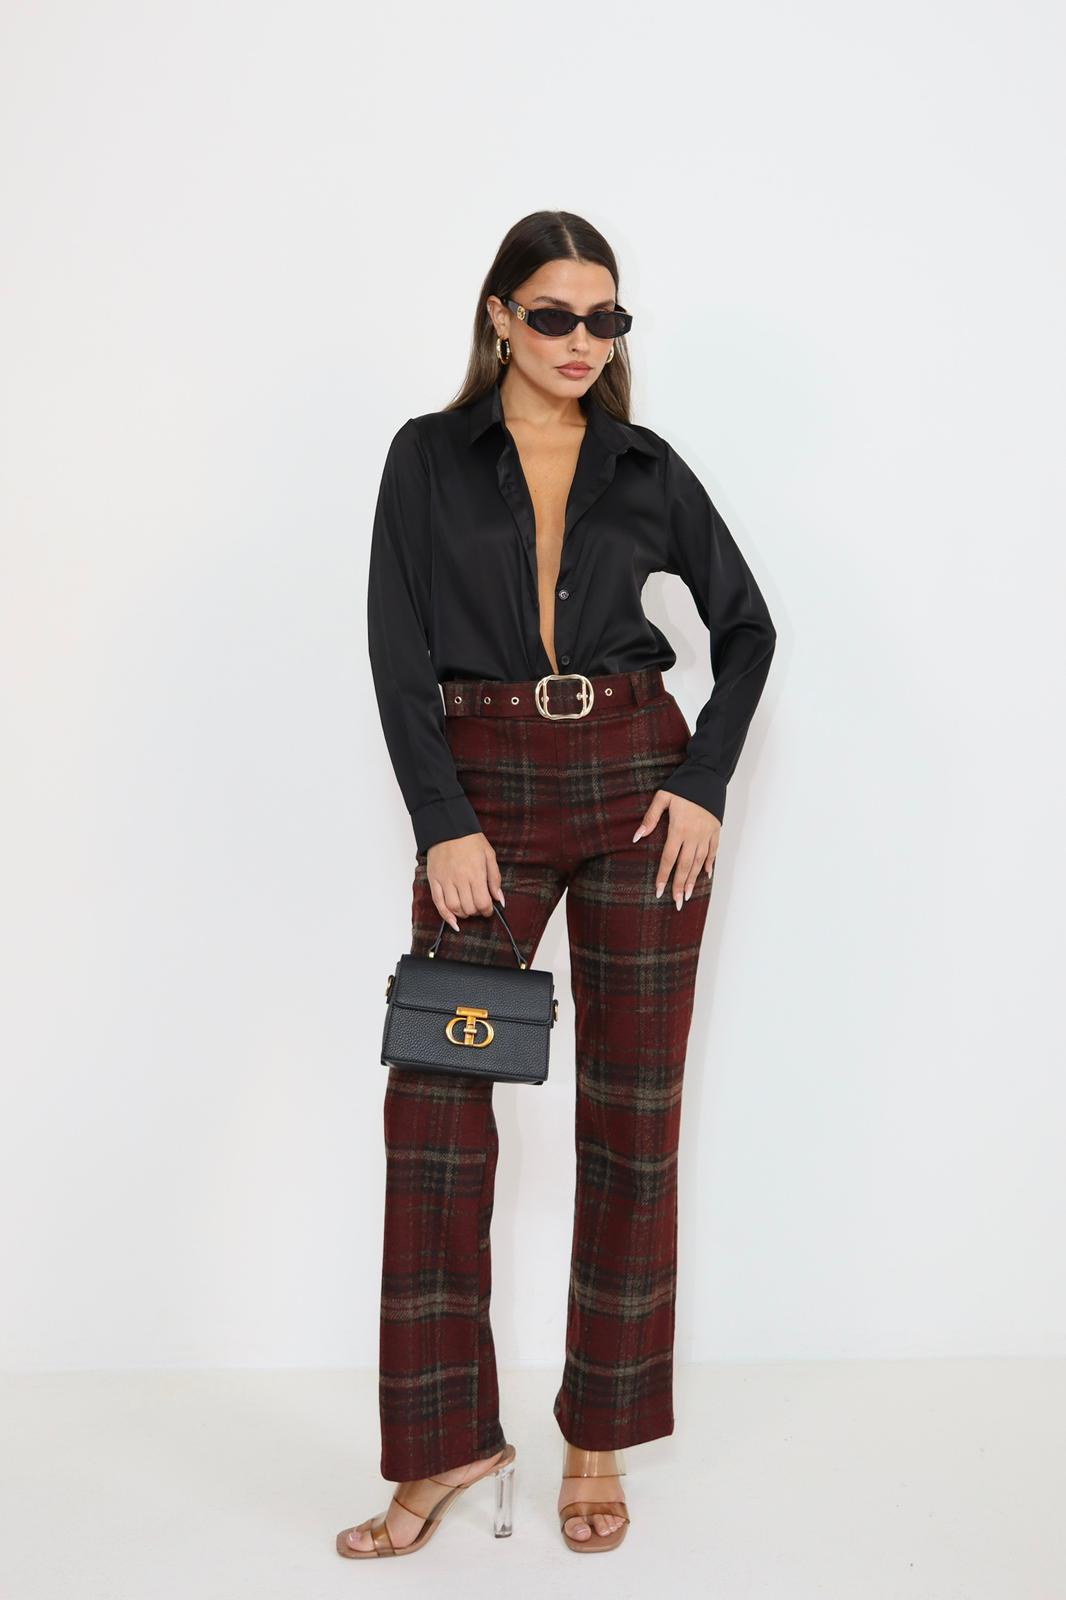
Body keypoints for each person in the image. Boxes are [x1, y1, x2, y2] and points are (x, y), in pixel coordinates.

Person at [337, 210, 777, 1560]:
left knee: (632, 1122)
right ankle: (447, 1443)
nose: (581, 341)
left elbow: (747, 628)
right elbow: (395, 647)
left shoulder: (645, 464)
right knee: (436, 1119)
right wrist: (441, 822)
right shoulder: (427, 458)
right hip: (484, 799)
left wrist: (702, 781)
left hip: (638, 788)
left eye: (604, 318)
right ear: (499, 317)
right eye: (553, 315)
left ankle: (600, 1437)